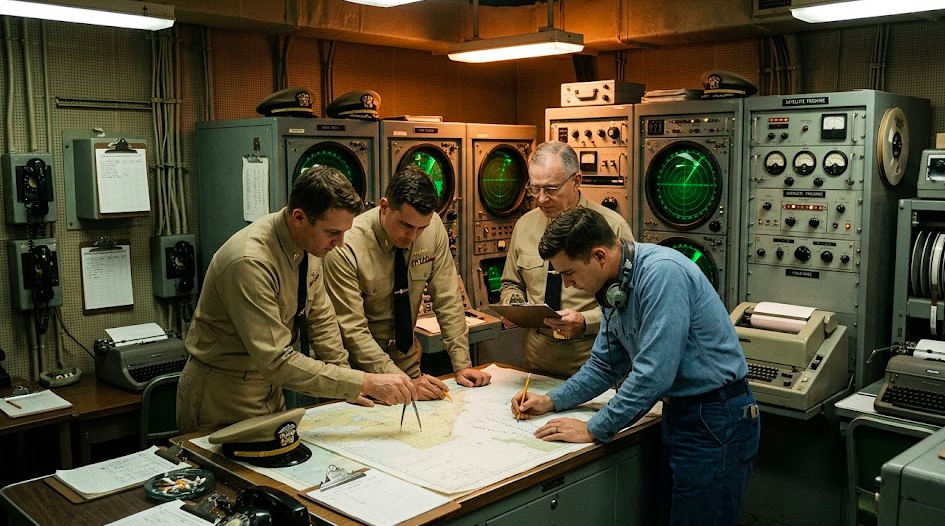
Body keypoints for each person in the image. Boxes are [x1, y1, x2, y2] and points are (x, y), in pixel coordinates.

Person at [512, 206, 760, 525]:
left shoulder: (661, 274)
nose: (568, 285)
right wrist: (550, 401)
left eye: (569, 273)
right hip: (682, 415)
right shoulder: (615, 290)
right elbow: (604, 366)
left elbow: (654, 374)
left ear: (599, 255)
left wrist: (594, 428)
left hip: (716, 417)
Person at [177, 166, 417, 434]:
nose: (340, 243)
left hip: (269, 392)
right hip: (222, 396)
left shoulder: (310, 244)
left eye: (344, 232)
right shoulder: (250, 262)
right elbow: (277, 361)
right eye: (332, 233)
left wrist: (347, 383)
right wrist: (363, 382)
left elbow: (322, 321)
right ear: (299, 218)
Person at [324, 166, 491, 399]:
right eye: (406, 226)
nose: (413, 236)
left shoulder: (433, 230)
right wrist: (404, 383)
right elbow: (353, 331)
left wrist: (462, 365)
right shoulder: (347, 246)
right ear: (384, 207)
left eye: (421, 227)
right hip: (360, 377)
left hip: (408, 367)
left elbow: (448, 298)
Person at [500, 141, 633, 377]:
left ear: (577, 181)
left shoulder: (611, 228)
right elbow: (511, 283)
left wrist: (584, 321)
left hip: (595, 363)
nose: (541, 199)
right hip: (537, 363)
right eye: (535, 188)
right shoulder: (525, 225)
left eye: (551, 189)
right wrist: (514, 305)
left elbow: (631, 304)